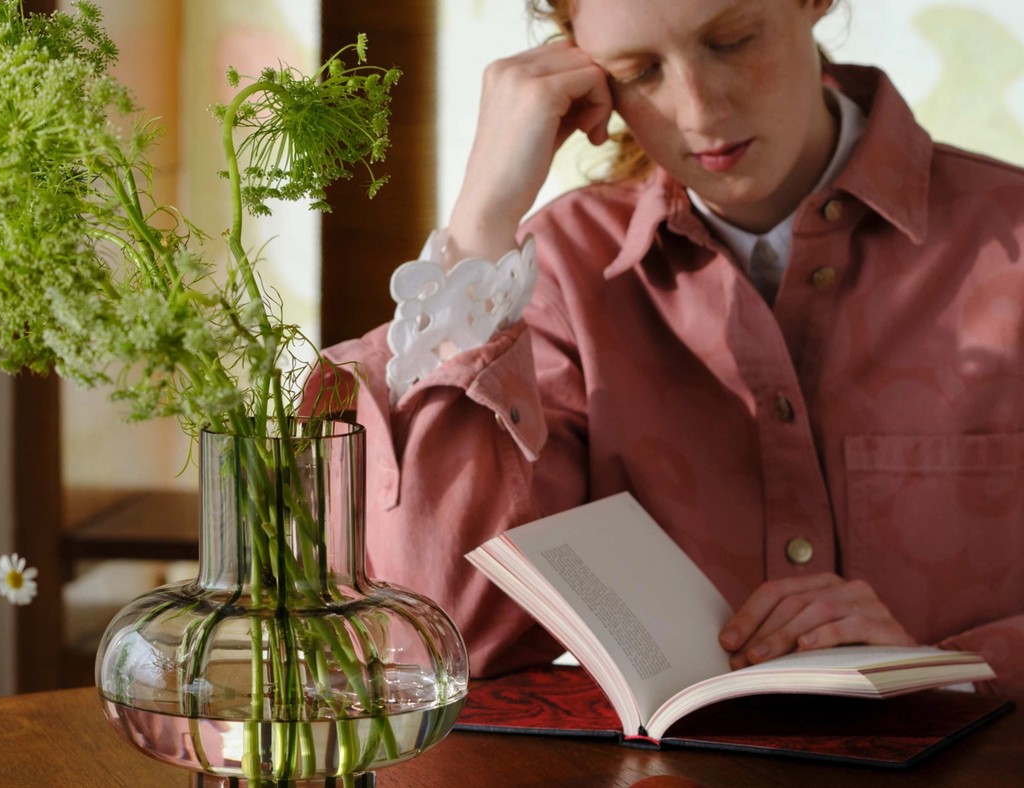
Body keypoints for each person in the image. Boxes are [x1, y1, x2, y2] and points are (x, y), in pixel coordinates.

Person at [315, 0, 1024, 696]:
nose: (698, 108)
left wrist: (942, 674)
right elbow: (446, 635)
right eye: (640, 69)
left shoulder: (1010, 243)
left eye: (734, 40)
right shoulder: (558, 276)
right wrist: (479, 222)